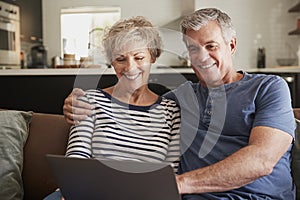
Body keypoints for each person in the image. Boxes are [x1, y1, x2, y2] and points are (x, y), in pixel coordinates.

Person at [63, 8, 296, 199]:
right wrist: (76, 103)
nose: (202, 57)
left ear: (231, 45)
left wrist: (178, 184)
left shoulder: (268, 87)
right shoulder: (181, 98)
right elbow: (139, 106)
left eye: (211, 46)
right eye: (193, 49)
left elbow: (262, 160)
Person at [44, 16, 181, 200]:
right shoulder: (89, 100)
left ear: (153, 56)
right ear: (111, 61)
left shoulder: (171, 111)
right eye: (120, 59)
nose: (130, 68)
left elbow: (171, 175)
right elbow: (77, 158)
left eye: (139, 57)